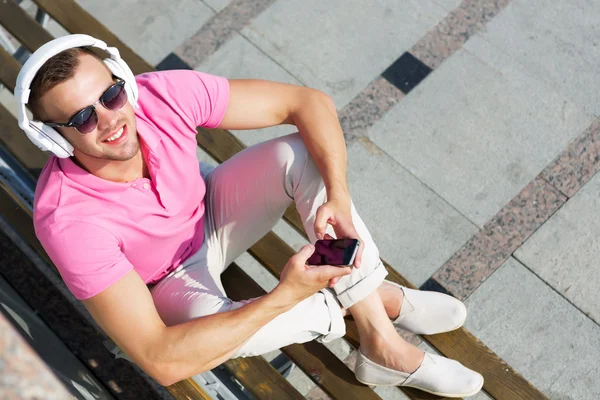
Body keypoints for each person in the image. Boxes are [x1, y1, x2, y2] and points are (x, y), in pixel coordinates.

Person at [16, 34, 483, 397]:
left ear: (123, 82)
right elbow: (160, 359)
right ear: (55, 139)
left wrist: (336, 196)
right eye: (81, 119)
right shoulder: (67, 221)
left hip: (212, 210)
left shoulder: (157, 97)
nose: (110, 119)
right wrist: (284, 296)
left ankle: (381, 340)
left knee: (297, 154)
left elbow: (308, 103)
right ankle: (371, 298)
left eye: (112, 95)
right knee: (243, 328)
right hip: (167, 282)